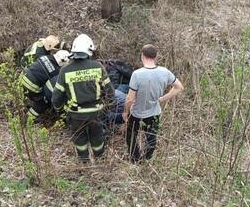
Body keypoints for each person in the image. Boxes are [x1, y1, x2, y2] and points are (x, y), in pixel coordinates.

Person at [52, 34, 114, 162]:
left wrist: (60, 109)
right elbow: (110, 92)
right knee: (97, 138)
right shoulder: (98, 67)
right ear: (89, 51)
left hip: (76, 115)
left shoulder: (65, 70)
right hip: (96, 113)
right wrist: (109, 105)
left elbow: (56, 97)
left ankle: (84, 162)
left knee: (80, 139)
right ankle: (100, 160)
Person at [123, 44, 184, 162]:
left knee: (131, 136)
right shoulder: (165, 72)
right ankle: (146, 159)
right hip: (154, 112)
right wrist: (162, 99)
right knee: (151, 137)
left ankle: (135, 159)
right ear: (156, 57)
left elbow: (130, 99)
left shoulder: (137, 74)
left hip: (136, 113)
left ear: (142, 56)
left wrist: (126, 112)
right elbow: (179, 87)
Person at [20, 50, 70, 120]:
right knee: (42, 102)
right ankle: (28, 119)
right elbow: (49, 86)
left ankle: (22, 108)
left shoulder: (45, 57)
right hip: (31, 85)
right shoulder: (55, 71)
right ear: (63, 62)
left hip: (22, 78)